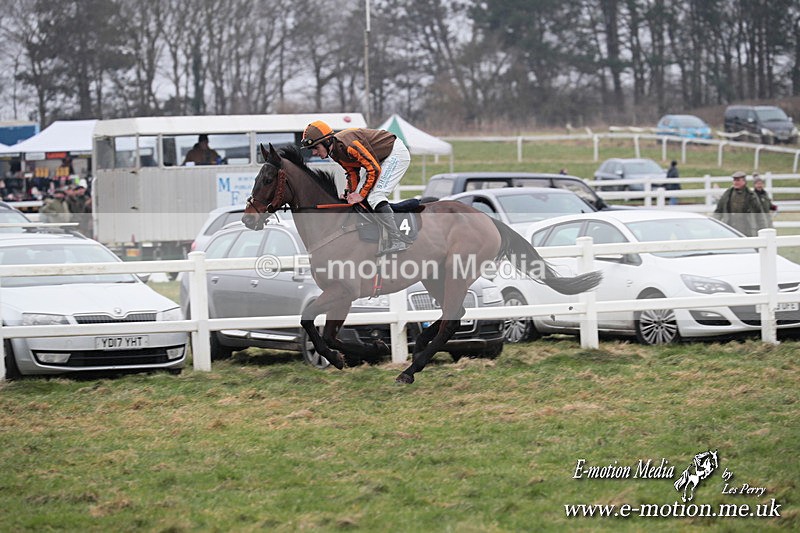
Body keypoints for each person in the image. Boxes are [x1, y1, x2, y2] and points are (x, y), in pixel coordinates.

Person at [300, 120, 413, 255]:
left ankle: (397, 239)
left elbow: (373, 169)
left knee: (375, 196)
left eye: (315, 148)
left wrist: (360, 194)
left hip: (395, 154)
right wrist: (349, 192)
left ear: (327, 141)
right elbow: (352, 172)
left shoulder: (349, 145)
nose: (314, 153)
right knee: (359, 196)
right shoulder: (335, 152)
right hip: (379, 158)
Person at [712, 171, 770, 237]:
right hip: (730, 231)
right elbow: (718, 211)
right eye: (734, 180)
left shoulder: (751, 196)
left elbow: (759, 214)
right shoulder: (727, 194)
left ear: (744, 181)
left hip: (747, 232)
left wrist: (764, 230)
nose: (735, 182)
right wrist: (713, 226)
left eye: (738, 180)